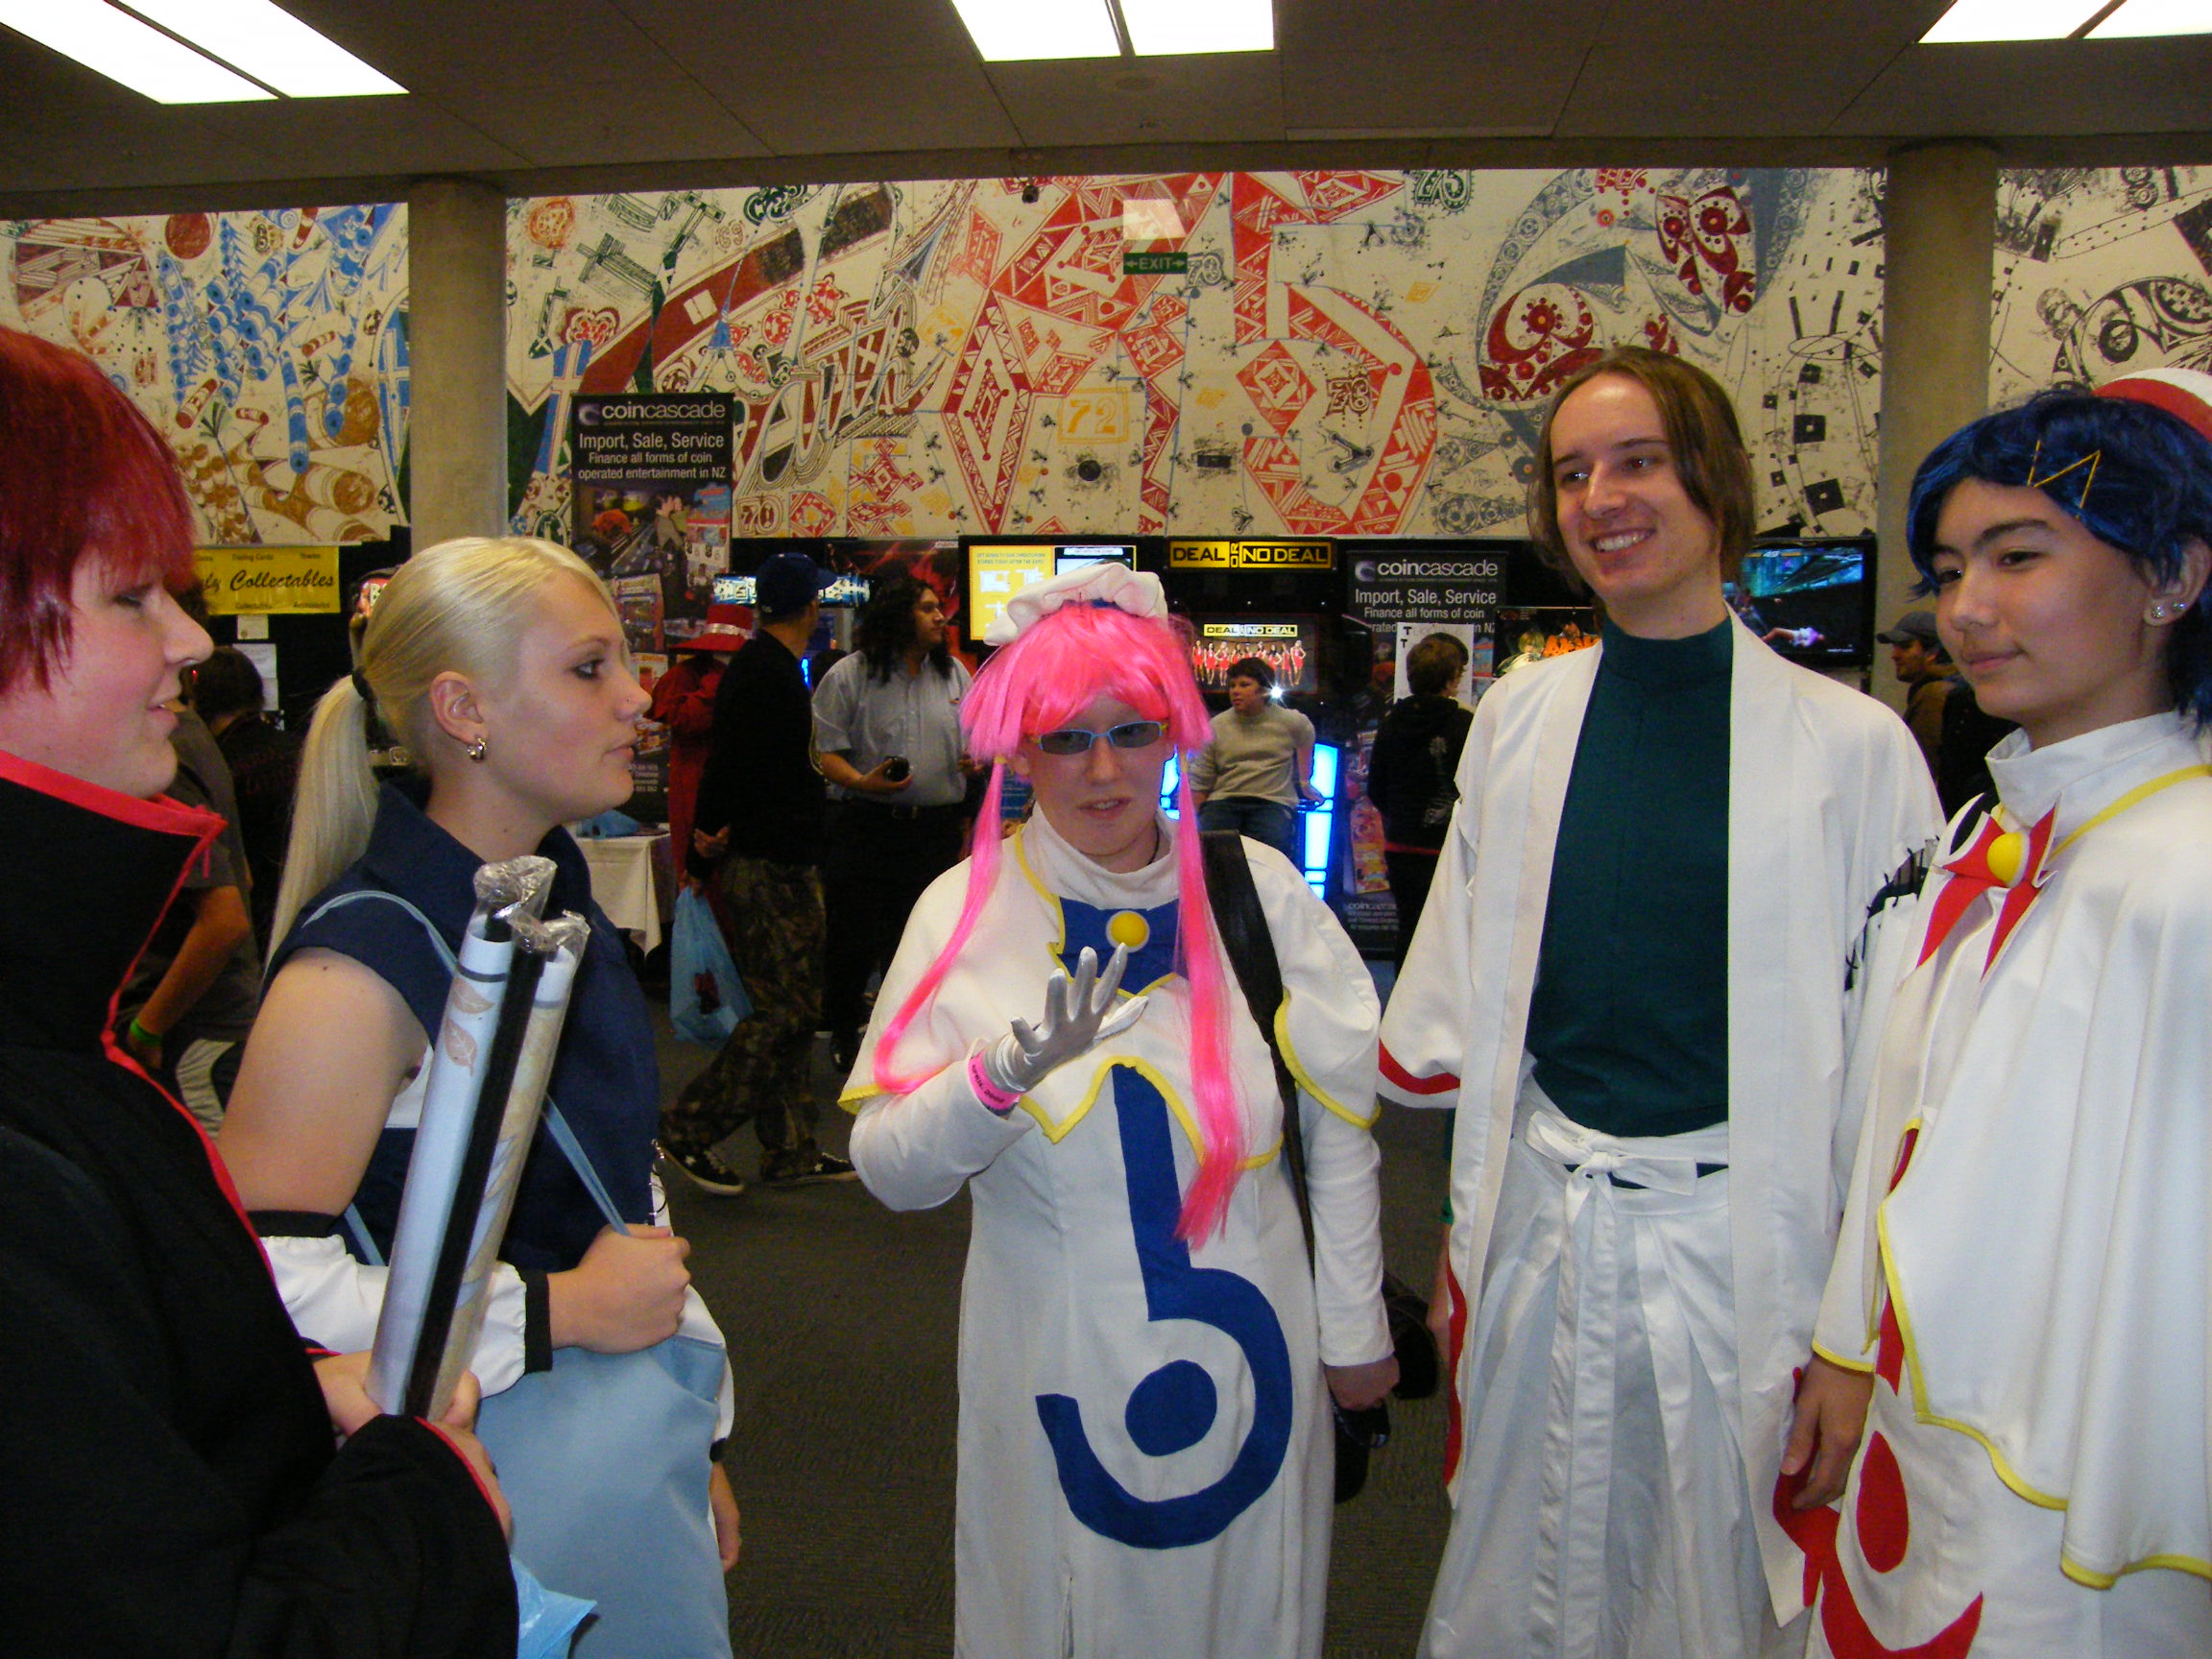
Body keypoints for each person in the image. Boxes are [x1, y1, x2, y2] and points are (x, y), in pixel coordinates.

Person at [1378, 346, 1940, 1659]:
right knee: (1524, 1573)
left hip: (1744, 1244)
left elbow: (1896, 1072)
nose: (1603, 498)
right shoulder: (1520, 717)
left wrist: (1852, 1340)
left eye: (1638, 462)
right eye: (1573, 472)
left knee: (1713, 1591)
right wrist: (1464, 1235)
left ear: (1714, 479)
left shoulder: (1854, 749)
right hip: (1544, 1220)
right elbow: (1477, 1017)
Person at [0, 323, 516, 1655]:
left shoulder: (59, 1037)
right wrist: (424, 1498)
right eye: (130, 597)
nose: (188, 641)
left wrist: (287, 1401)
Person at [843, 565, 1396, 1658]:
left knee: (1250, 1611)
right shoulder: (961, 912)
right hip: (1053, 1358)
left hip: (1261, 1354)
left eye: (1133, 732)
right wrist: (995, 1080)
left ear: (1176, 732)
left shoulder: (1258, 892)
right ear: (1017, 750)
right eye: (1065, 739)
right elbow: (891, 1171)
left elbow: (1336, 1132)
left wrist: (1354, 1329)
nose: (1104, 771)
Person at [219, 536, 739, 1658]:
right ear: (463, 710)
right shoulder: (359, 969)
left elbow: (616, 1191)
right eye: (589, 668)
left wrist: (694, 1439)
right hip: (470, 1468)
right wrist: (559, 1312)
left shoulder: (552, 909)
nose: (637, 698)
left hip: (612, 1448)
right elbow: (256, 1291)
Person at [1789, 372, 2212, 1658]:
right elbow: (1898, 1122)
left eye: (2020, 557)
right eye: (1951, 568)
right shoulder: (1994, 833)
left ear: (2174, 575)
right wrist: (1847, 1345)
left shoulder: (2186, 876)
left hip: (2089, 1496)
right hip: (1920, 1444)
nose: (1966, 608)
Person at [666, 548, 855, 1193]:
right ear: (809, 606)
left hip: (779, 855)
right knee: (784, 1011)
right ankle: (690, 1125)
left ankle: (792, 1146)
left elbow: (735, 767)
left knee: (791, 1007)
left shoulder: (765, 667)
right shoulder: (766, 674)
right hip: (771, 862)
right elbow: (729, 768)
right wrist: (701, 854)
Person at [812, 572, 974, 1071]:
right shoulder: (851, 674)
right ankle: (844, 1029)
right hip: (868, 825)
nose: (940, 617)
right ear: (897, 615)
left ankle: (905, 1035)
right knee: (854, 937)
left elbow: (979, 739)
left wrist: (977, 757)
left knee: (919, 939)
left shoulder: (954, 674)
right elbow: (824, 753)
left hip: (935, 831)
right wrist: (861, 781)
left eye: (938, 608)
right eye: (927, 608)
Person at [115, 687, 263, 1130]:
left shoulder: (165, 755)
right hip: (206, 1024)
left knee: (216, 1171)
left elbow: (225, 919)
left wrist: (148, 1027)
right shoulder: (193, 736)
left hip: (196, 1032)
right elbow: (241, 876)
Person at [1365, 632, 1474, 967]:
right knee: (1450, 934)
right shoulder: (1464, 724)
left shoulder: (1391, 723)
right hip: (1448, 846)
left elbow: (1376, 787)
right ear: (1452, 679)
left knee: (1409, 928)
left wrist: (1401, 816)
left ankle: (1402, 996)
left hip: (1401, 843)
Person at [191, 644, 303, 954]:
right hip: (312, 902)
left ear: (201, 698)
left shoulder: (215, 766)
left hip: (256, 920)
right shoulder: (298, 748)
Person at [649, 600, 747, 897]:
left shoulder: (747, 676)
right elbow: (691, 720)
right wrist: (719, 678)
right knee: (701, 885)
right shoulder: (687, 677)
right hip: (695, 789)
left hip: (738, 795)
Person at [1188, 655, 1319, 865]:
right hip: (1225, 800)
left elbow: (1306, 738)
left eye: (1244, 685)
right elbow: (1201, 777)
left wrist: (1305, 781)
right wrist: (1193, 820)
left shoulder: (1290, 721)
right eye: (1232, 685)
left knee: (1272, 843)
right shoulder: (1217, 726)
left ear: (1263, 690)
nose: (1235, 691)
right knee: (1211, 844)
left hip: (1272, 801)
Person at [1876, 608, 1954, 778]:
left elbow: (1921, 769)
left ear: (1933, 652)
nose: (1894, 655)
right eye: (1894, 647)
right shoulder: (1942, 689)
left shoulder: (1934, 695)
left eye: (1905, 647)